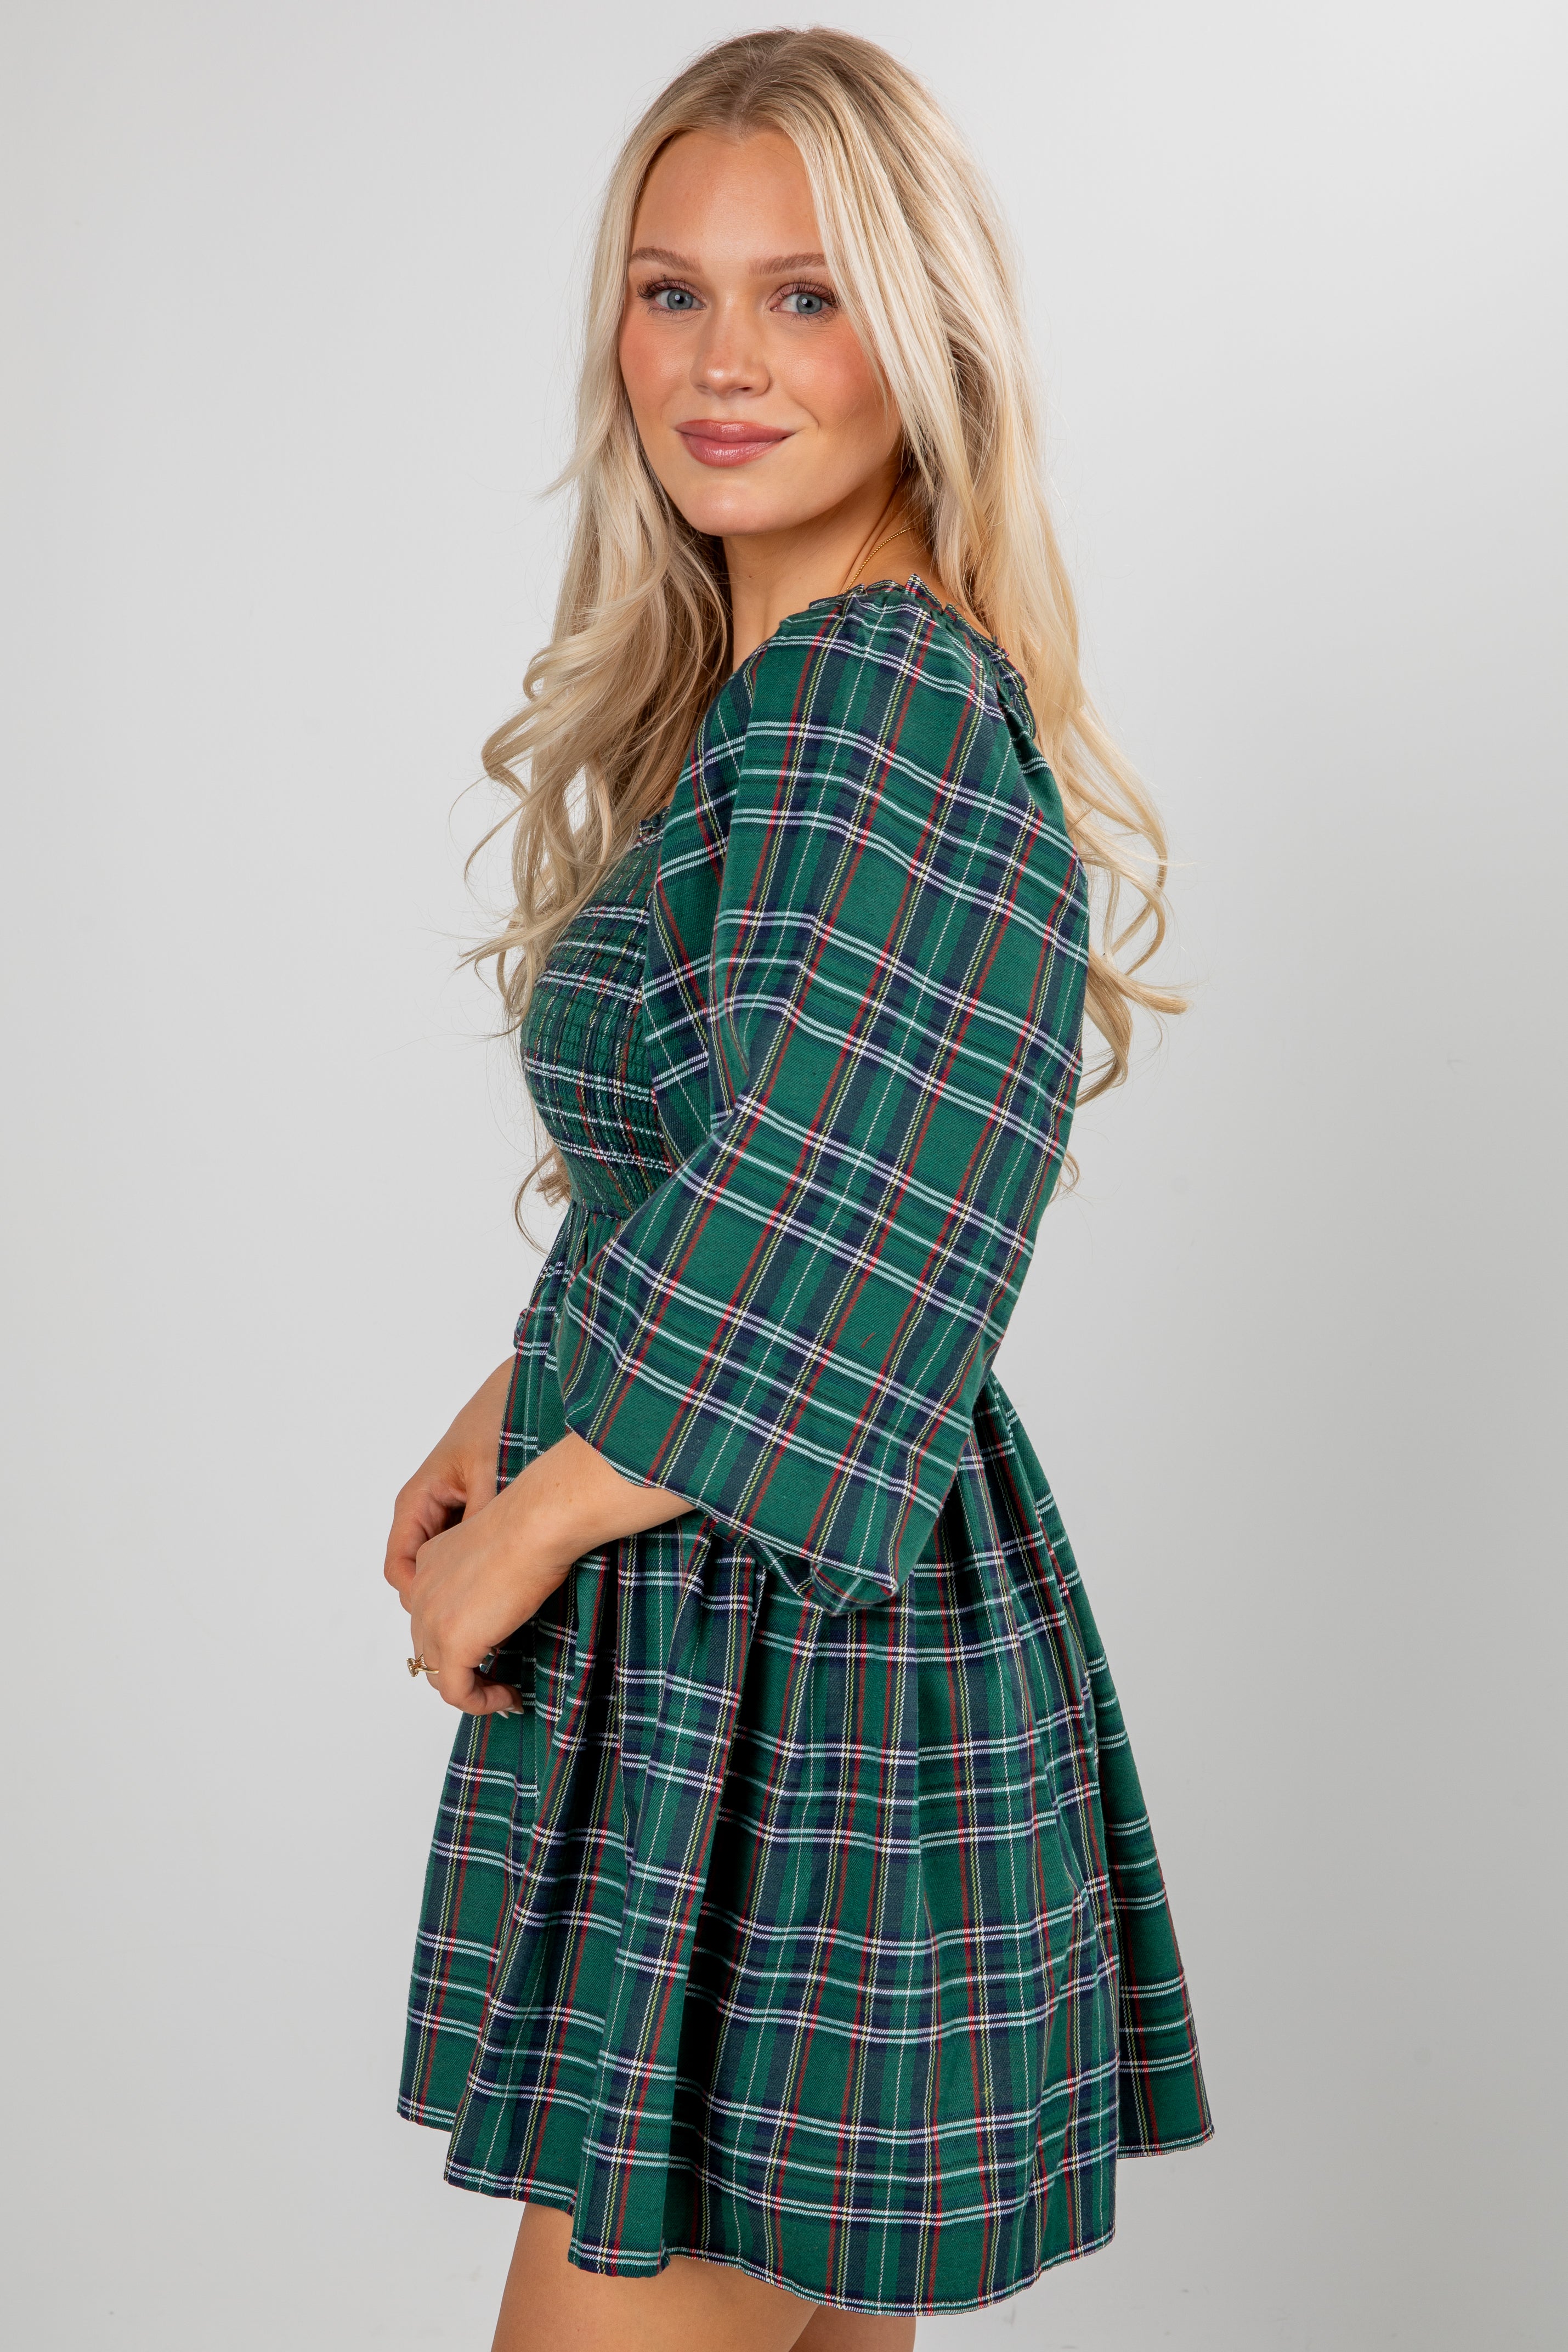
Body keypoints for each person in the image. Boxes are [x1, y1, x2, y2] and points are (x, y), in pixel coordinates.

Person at [384, 29, 1212, 2351]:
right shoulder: (791, 702)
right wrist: (508, 1396)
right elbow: (761, 1155)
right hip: (788, 1639)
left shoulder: (875, 694)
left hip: (788, 1669)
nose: (723, 362)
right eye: (672, 295)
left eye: (806, 293)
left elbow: (859, 1221)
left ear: (926, 336)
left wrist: (534, 1529)